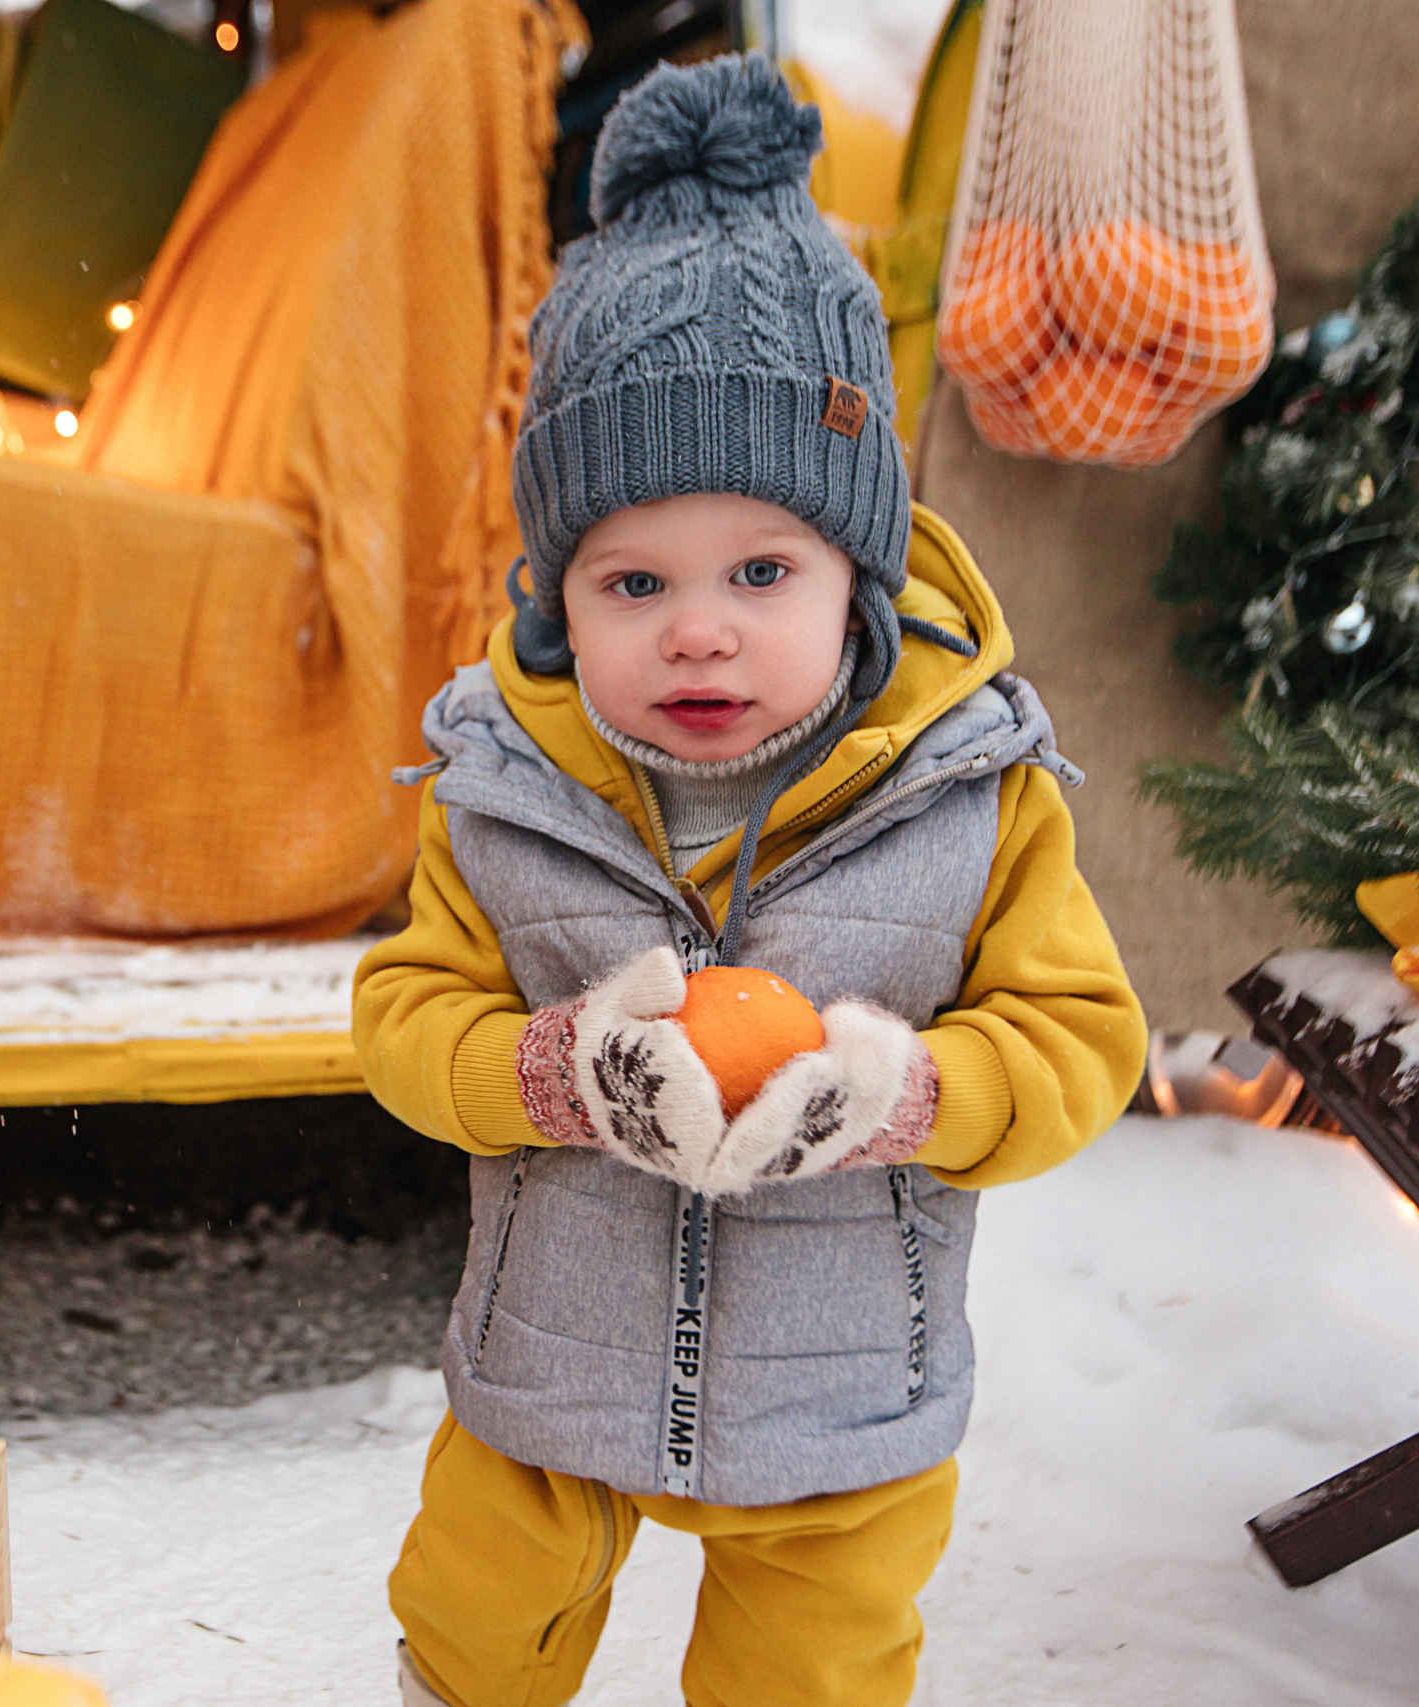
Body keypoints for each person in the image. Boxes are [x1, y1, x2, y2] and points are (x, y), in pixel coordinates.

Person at [353, 52, 1147, 1707]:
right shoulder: (506, 787)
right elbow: (402, 1018)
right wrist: (548, 1072)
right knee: (476, 1618)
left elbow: (1082, 1043)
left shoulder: (970, 786)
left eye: (763, 569)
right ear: (560, 598)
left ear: (858, 570)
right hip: (550, 1378)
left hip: (847, 1399)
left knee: (814, 1670)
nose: (699, 626)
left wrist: (912, 1094)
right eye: (634, 578)